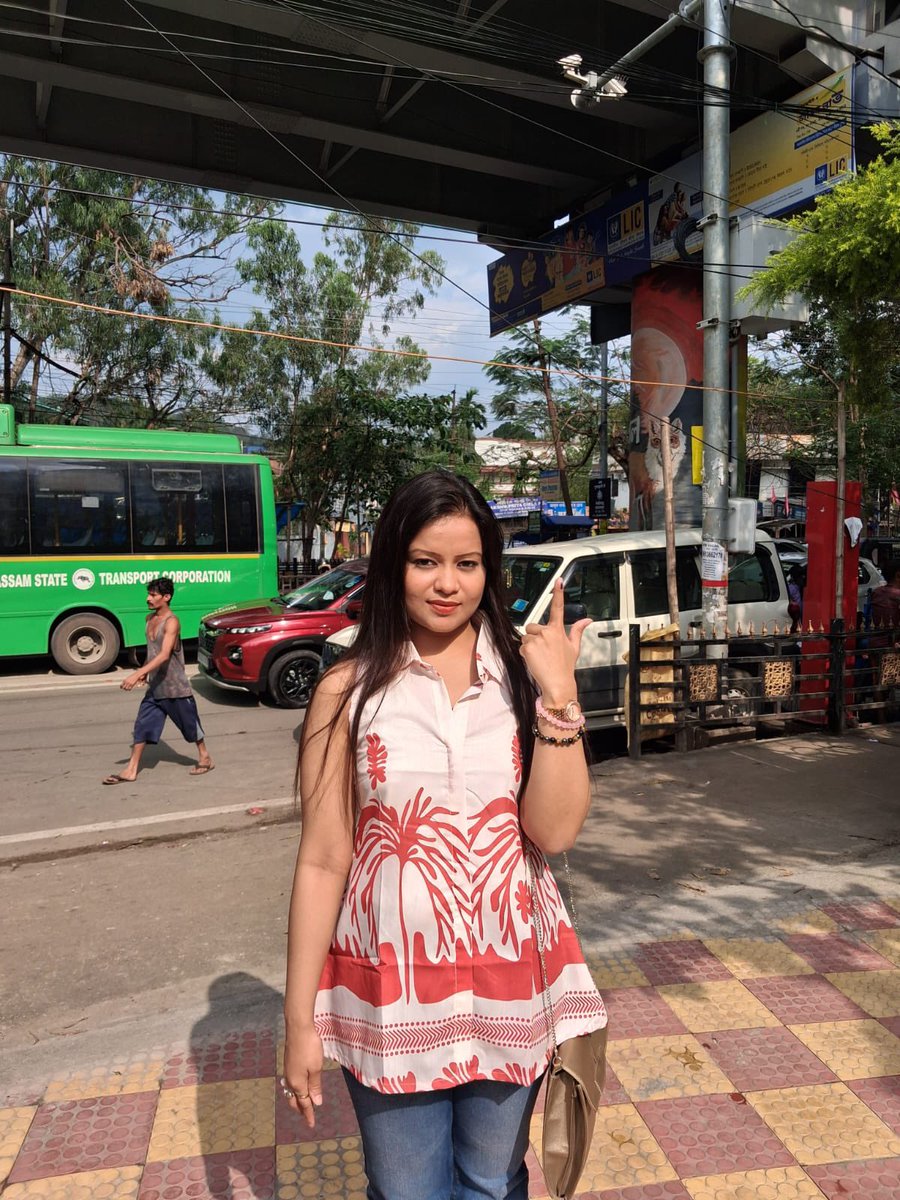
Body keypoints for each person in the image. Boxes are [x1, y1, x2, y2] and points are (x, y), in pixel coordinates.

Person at [281, 470, 607, 1200]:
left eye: (466, 563)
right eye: (424, 561)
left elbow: (552, 833)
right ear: (392, 561)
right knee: (407, 1194)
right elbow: (324, 860)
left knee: (491, 1183)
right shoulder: (349, 690)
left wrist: (560, 697)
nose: (446, 584)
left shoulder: (519, 681)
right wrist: (298, 1019)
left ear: (489, 569)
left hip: (509, 992)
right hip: (389, 999)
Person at [102, 577, 214, 784]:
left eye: (153, 595)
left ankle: (205, 757)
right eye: (149, 594)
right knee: (142, 725)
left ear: (167, 597)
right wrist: (145, 672)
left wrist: (136, 673)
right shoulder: (148, 619)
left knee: (189, 726)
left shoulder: (172, 622)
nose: (148, 599)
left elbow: (164, 655)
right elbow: (153, 652)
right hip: (155, 687)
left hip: (175, 687)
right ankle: (131, 769)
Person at [871, 560, 900, 630]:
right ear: (898, 575)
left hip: (874, 638)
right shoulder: (897, 594)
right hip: (892, 639)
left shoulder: (876, 592)